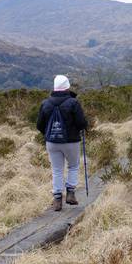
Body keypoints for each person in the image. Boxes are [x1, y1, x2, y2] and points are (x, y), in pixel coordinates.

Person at [36, 75, 88, 211]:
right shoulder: (73, 102)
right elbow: (82, 123)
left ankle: (57, 199)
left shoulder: (45, 103)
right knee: (73, 166)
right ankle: (70, 193)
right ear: (67, 86)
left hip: (52, 142)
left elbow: (39, 125)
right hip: (71, 141)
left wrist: (49, 134)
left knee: (57, 169)